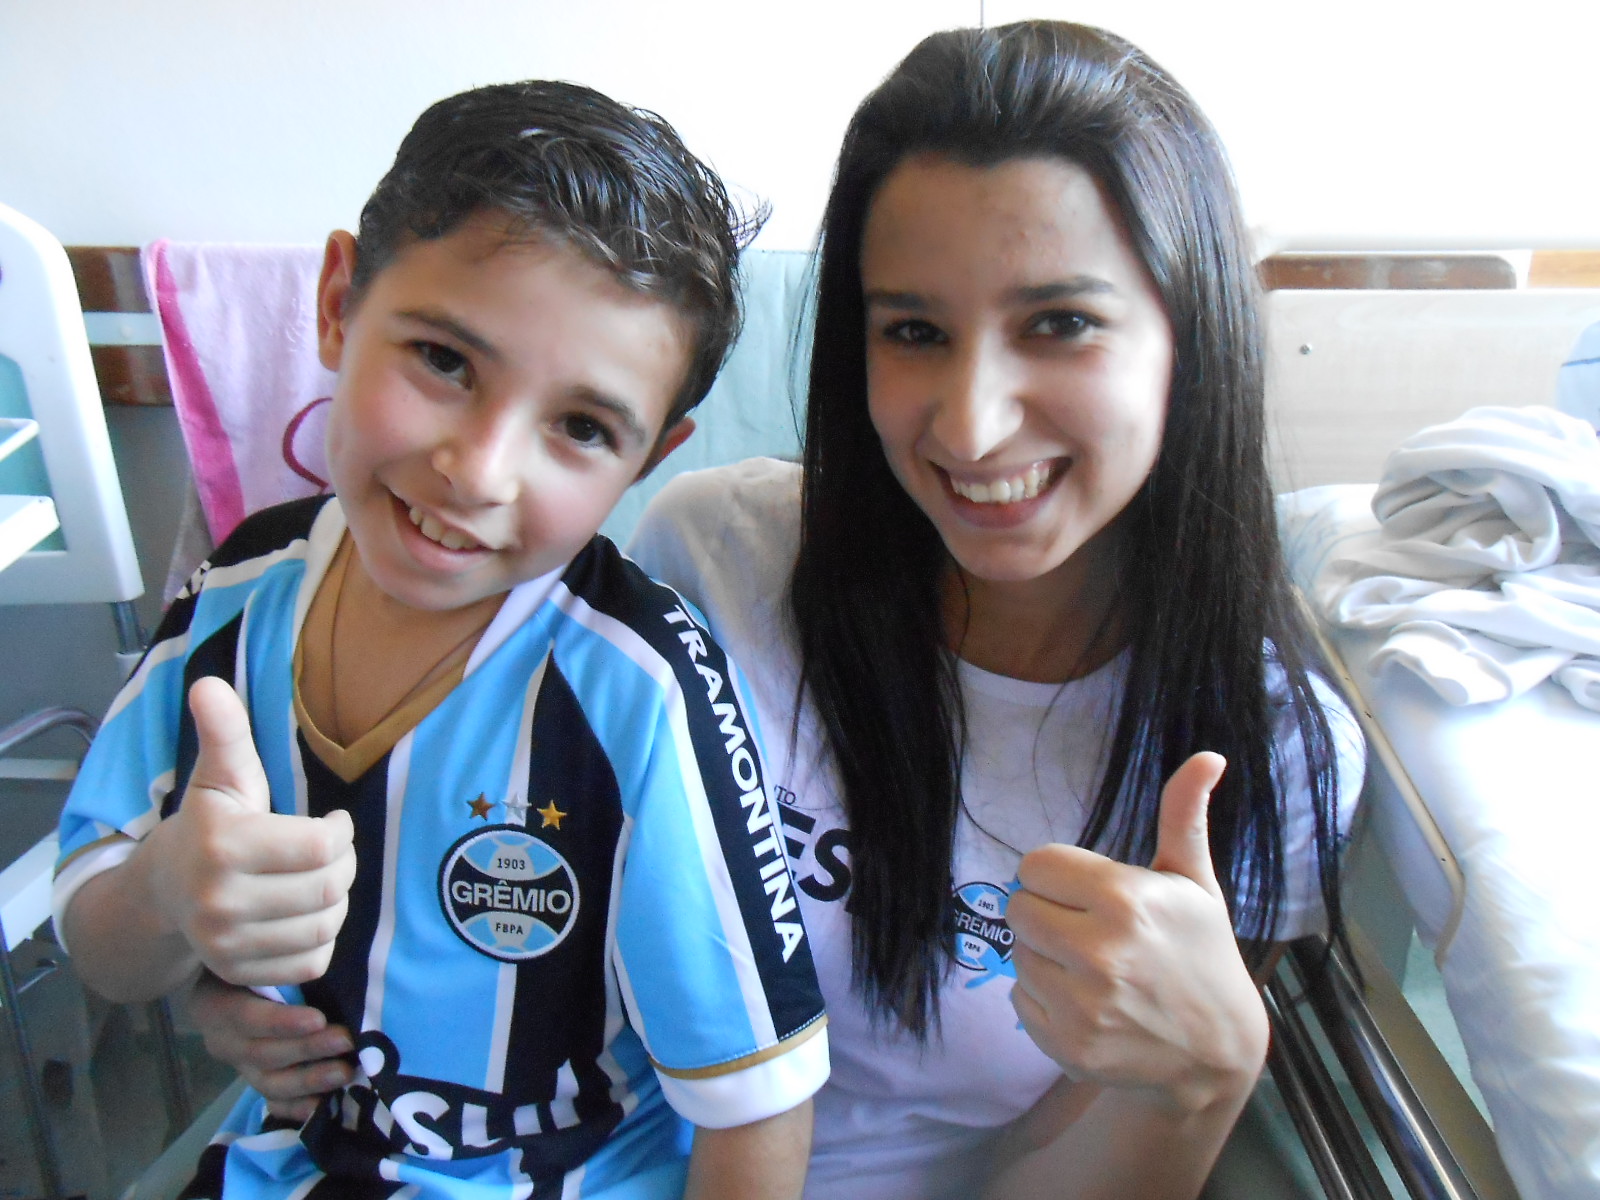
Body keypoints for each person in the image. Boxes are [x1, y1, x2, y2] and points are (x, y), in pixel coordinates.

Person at [184, 22, 1364, 1199]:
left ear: (1189, 331)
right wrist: (250, 978)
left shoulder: (1258, 750)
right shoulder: (710, 560)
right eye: (913, 331)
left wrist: (1202, 1079)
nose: (970, 423)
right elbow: (467, 854)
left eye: (1058, 323)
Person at [51, 80, 827, 1198]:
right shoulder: (237, 590)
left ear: (649, 459)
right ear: (335, 302)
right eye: (445, 362)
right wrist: (171, 894)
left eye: (580, 427)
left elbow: (757, 1107)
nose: (478, 469)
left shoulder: (639, 689)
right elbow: (101, 945)